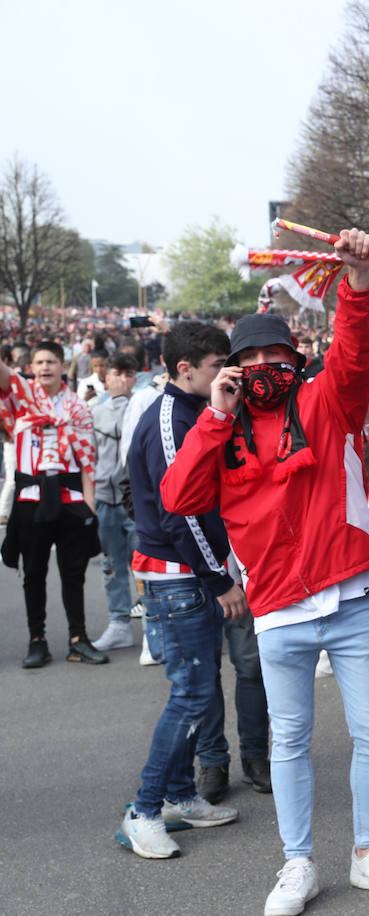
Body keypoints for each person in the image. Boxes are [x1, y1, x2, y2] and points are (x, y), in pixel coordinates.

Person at [160, 229, 369, 914]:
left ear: (296, 356)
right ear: (230, 370)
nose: (263, 369)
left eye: (275, 356)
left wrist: (360, 283)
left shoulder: (325, 399)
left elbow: (356, 351)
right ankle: (297, 863)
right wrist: (216, 417)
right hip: (279, 609)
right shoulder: (221, 428)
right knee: (291, 740)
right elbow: (178, 499)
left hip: (353, 599)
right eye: (248, 361)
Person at [119, 321, 245, 858]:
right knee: (191, 696)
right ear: (184, 369)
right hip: (180, 578)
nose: (229, 374)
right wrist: (220, 579)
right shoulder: (170, 417)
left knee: (196, 690)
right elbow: (183, 507)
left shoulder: (193, 409)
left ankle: (177, 796)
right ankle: (143, 809)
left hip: (187, 574)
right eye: (218, 365)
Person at [0, 341, 106, 667]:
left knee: (74, 574)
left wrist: (90, 506)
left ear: (64, 366)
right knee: (33, 572)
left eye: (51, 361)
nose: (45, 367)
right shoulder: (22, 398)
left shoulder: (78, 407)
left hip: (71, 496)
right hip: (31, 495)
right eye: (39, 362)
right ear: (30, 367)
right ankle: (37, 639)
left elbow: (89, 462)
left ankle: (79, 638)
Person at [89, 352, 140, 651]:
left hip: (134, 502)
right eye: (116, 374)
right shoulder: (94, 412)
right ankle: (118, 623)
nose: (122, 380)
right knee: (111, 567)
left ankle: (153, 625)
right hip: (105, 499)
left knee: (145, 567)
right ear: (105, 378)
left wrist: (124, 401)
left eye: (128, 373)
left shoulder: (142, 407)